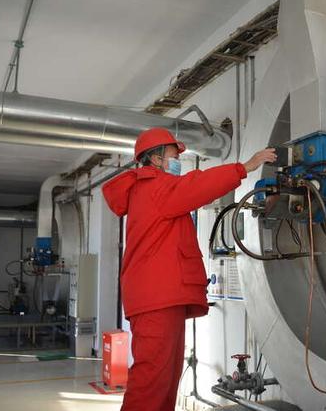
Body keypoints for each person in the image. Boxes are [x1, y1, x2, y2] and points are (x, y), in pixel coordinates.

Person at [102, 127, 276, 411]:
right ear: (155, 159)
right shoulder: (154, 186)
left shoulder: (153, 188)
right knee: (152, 381)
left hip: (161, 298)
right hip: (156, 299)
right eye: (173, 156)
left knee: (165, 380)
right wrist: (245, 167)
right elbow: (198, 185)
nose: (177, 161)